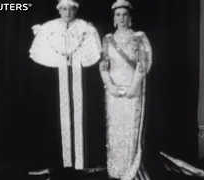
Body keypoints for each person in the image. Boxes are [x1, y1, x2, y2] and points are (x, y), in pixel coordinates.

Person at [29, 0, 106, 176]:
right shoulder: (49, 28)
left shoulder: (86, 28)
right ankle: (56, 163)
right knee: (56, 118)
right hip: (55, 79)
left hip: (80, 78)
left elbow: (92, 54)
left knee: (82, 115)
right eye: (64, 8)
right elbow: (41, 54)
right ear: (59, 10)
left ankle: (82, 162)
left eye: (71, 8)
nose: (67, 12)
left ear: (76, 10)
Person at [99, 0, 153, 179]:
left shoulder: (139, 37)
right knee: (115, 130)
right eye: (118, 15)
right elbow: (103, 66)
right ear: (114, 18)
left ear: (130, 18)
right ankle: (116, 170)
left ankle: (129, 171)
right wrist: (111, 86)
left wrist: (133, 87)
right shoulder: (107, 40)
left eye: (124, 15)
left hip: (132, 90)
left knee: (130, 130)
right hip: (113, 92)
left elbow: (142, 65)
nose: (121, 18)